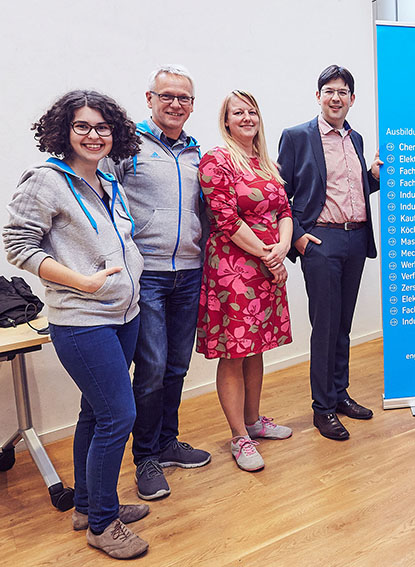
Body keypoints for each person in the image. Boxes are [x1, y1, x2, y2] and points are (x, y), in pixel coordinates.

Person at [3, 91, 149, 558]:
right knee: (118, 416)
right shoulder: (46, 181)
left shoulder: (106, 177)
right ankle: (103, 526)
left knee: (96, 411)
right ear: (64, 131)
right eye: (83, 126)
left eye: (102, 127)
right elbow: (18, 245)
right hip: (81, 320)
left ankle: (88, 504)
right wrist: (81, 282)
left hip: (123, 315)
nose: (93, 135)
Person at [104, 64, 210, 501]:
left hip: (189, 272)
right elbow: (102, 200)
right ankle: (145, 457)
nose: (175, 104)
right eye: (166, 96)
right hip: (146, 275)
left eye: (183, 98)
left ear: (192, 105)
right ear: (149, 99)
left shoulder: (196, 152)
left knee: (177, 366)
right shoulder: (127, 147)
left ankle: (168, 443)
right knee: (149, 370)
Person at [277, 65, 381, 441]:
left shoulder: (355, 138)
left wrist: (373, 177)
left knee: (343, 325)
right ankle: (322, 409)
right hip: (320, 240)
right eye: (329, 91)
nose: (336, 98)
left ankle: (340, 395)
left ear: (352, 99)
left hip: (355, 239)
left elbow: (350, 188)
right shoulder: (297, 137)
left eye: (343, 92)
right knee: (324, 326)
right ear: (318, 96)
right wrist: (299, 238)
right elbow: (278, 195)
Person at [197, 90, 293, 471]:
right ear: (226, 120)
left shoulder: (265, 162)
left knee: (256, 348)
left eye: (252, 111)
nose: (247, 117)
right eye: (238, 112)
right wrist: (269, 255)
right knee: (234, 352)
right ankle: (239, 437)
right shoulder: (216, 161)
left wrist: (281, 248)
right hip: (233, 272)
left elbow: (285, 209)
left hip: (267, 269)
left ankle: (254, 422)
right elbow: (226, 220)